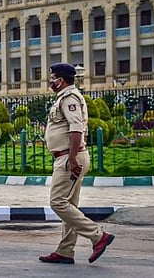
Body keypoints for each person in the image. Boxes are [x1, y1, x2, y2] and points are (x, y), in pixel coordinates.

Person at [39, 62, 115, 265]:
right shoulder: (64, 98)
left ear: (61, 80)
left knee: (58, 202)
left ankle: (98, 235)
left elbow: (76, 129)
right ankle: (65, 251)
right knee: (69, 204)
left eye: (53, 77)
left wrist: (72, 159)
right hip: (68, 156)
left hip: (69, 157)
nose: (51, 81)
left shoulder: (69, 98)